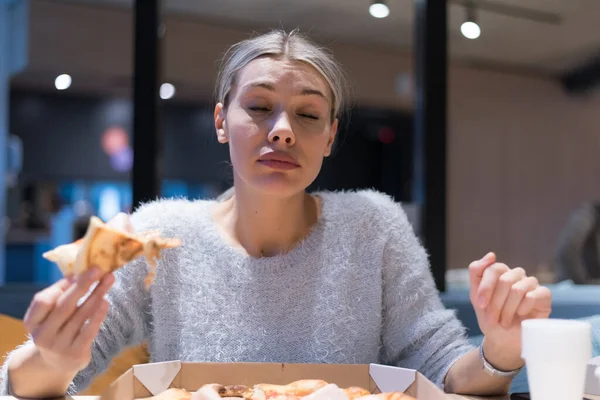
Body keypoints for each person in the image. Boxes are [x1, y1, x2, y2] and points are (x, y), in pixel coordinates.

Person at [1, 29, 552, 398]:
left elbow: (443, 371)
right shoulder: (160, 233)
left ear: (331, 135)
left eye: (309, 113)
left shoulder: (373, 226)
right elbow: (52, 376)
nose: (283, 128)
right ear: (221, 121)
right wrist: (51, 355)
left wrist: (501, 353)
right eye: (259, 107)